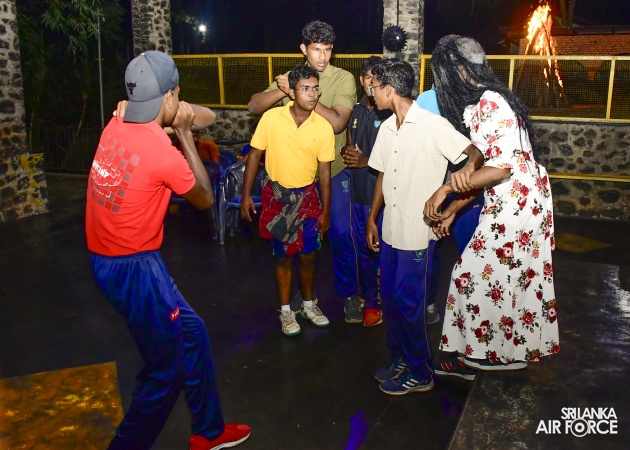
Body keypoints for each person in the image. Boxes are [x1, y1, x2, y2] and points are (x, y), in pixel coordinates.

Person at [85, 51, 250, 450]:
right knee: (165, 371)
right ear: (170, 96)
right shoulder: (161, 150)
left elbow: (204, 115)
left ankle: (208, 431)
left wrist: (181, 115)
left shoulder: (117, 121)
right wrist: (187, 137)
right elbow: (205, 198)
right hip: (134, 268)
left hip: (111, 258)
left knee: (192, 333)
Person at [424, 35, 559, 379]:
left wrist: (445, 190)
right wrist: (455, 207)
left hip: (515, 205)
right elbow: (484, 164)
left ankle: (486, 355)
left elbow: (500, 169)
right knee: (509, 279)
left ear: (458, 69)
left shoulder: (490, 102)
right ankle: (502, 353)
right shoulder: (490, 98)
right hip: (517, 201)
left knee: (471, 274)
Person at [365, 58, 484, 395]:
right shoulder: (387, 127)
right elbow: (382, 174)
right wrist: (373, 217)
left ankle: (420, 370)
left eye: (375, 86)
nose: (371, 92)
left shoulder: (432, 124)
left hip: (417, 232)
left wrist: (452, 188)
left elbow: (474, 153)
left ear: (389, 89)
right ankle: (400, 359)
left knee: (409, 304)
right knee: (391, 300)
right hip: (391, 227)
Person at [247, 20, 360, 323]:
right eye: (316, 49)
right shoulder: (292, 77)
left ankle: (349, 295)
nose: (322, 57)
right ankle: (301, 296)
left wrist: (304, 94)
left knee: (340, 233)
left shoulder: (343, 78)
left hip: (332, 172)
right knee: (293, 240)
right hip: (295, 180)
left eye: (328, 50)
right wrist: (284, 90)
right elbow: (254, 106)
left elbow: (338, 123)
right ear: (303, 49)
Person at [242, 65, 335, 337]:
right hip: (277, 198)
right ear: (292, 92)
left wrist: (326, 211)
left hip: (308, 198)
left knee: (309, 256)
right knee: (282, 258)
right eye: (306, 89)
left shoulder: (323, 127)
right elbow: (254, 156)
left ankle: (308, 305)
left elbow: (325, 174)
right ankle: (285, 311)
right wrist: (246, 195)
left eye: (315, 88)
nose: (312, 94)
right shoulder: (271, 118)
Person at [416, 88, 484, 327]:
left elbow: (483, 153)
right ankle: (427, 303)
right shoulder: (425, 99)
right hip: (434, 185)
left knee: (472, 252)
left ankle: (475, 315)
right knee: (431, 248)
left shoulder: (478, 99)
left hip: (468, 186)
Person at [341, 56, 392, 326]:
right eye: (368, 77)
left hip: (380, 197)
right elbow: (351, 143)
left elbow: (396, 159)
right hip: (357, 193)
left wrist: (365, 160)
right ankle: (366, 292)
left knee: (378, 249)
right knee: (362, 246)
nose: (371, 83)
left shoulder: (390, 113)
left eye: (377, 78)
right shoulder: (357, 110)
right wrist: (347, 152)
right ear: (361, 80)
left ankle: (375, 302)